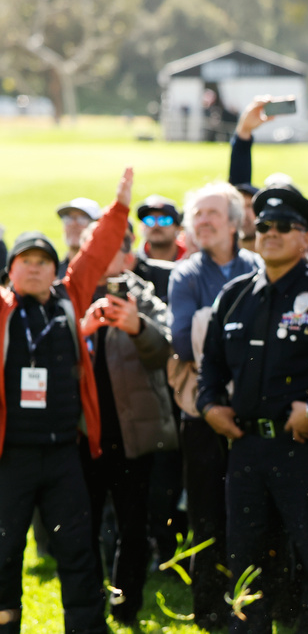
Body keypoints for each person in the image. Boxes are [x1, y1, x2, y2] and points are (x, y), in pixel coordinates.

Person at [197, 186, 308, 634]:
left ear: (306, 238)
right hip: (246, 453)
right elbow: (210, 367)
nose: (269, 233)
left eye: (282, 227)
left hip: (306, 452)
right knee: (247, 566)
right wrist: (209, 405)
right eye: (263, 226)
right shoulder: (234, 296)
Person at [0, 168, 133, 634]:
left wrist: (118, 209)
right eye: (25, 260)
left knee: (78, 548)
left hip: (63, 455)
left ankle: (86, 627)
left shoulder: (69, 300)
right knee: (3, 551)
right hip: (9, 457)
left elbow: (96, 252)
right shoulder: (2, 310)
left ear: (56, 270)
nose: (35, 266)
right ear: (10, 270)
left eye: (43, 260)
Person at [167, 182, 262, 631]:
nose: (202, 222)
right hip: (202, 415)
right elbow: (184, 342)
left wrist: (215, 324)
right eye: (196, 215)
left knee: (254, 513)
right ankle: (208, 610)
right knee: (206, 514)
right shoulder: (185, 275)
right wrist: (243, 335)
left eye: (211, 214)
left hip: (254, 411)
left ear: (233, 221)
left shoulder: (259, 266)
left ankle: (256, 603)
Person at [77, 220, 178, 626]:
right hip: (83, 435)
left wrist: (137, 327)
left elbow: (166, 351)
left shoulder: (144, 296)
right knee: (82, 526)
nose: (103, 255)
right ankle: (88, 602)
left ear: (129, 256)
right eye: (94, 246)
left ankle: (126, 606)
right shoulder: (70, 293)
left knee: (133, 526)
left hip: (132, 434)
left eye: (113, 248)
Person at [55, 197, 101, 278]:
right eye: (69, 218)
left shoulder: (104, 273)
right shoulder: (54, 272)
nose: (73, 224)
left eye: (81, 219)